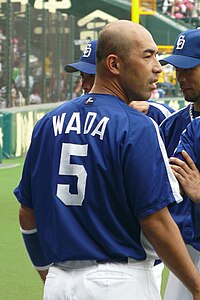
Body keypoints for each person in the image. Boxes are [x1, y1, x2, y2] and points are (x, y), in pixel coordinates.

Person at [14, 20, 200, 300]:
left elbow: (27, 212)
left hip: (59, 282)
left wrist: (46, 271)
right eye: (148, 56)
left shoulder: (49, 122)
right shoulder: (136, 126)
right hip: (119, 282)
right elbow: (155, 221)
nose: (159, 68)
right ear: (114, 64)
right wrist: (196, 287)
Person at [159, 29, 200, 300]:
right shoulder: (171, 126)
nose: (180, 77)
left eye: (188, 68)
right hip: (185, 251)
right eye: (177, 68)